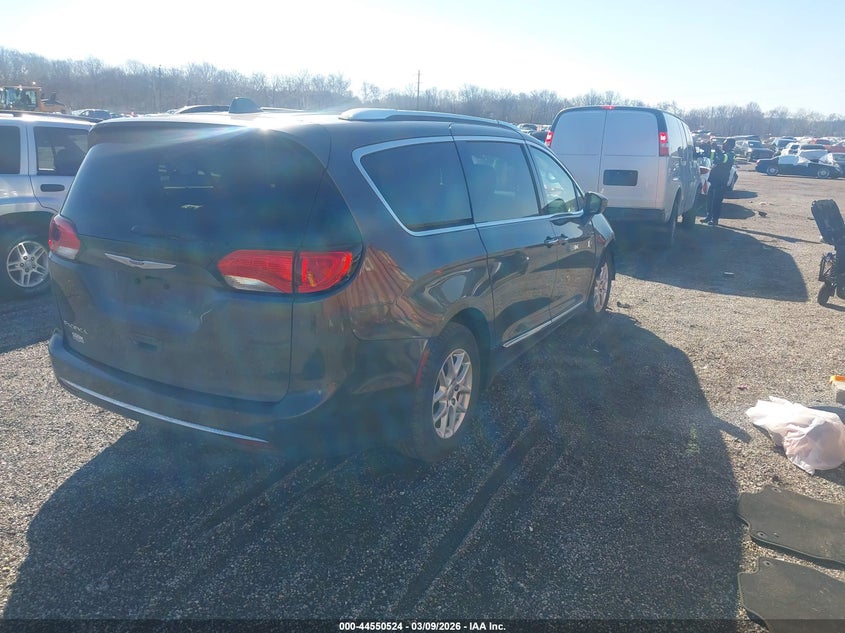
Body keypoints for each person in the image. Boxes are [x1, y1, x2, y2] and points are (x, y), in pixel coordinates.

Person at [701, 138, 735, 226]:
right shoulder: (722, 153)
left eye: (725, 144)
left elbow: (723, 159)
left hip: (721, 182)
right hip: (714, 180)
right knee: (710, 200)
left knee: (716, 201)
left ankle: (714, 219)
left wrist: (717, 149)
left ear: (730, 145)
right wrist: (711, 148)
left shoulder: (731, 155)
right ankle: (708, 217)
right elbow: (712, 159)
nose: (723, 145)